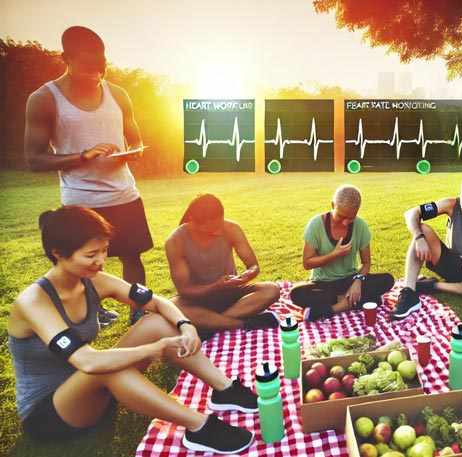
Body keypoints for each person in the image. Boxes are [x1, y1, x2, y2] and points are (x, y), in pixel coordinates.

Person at [8, 206, 257, 454]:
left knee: (157, 322)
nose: (101, 262)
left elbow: (157, 301)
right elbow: (88, 362)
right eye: (91, 254)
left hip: (95, 390)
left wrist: (185, 325)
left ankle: (224, 389)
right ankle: (199, 426)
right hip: (51, 413)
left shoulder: (94, 281)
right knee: (106, 367)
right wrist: (154, 348)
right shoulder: (34, 302)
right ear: (58, 253)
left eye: (104, 251)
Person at [24, 26, 152, 326]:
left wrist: (134, 151)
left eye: (100, 66)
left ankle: (139, 310)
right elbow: (34, 159)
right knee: (84, 263)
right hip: (81, 198)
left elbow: (135, 139)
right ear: (65, 58)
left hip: (124, 193)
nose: (96, 74)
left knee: (132, 256)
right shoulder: (44, 99)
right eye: (87, 67)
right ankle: (91, 311)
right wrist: (83, 155)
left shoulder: (118, 94)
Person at [392, 173, 462, 319]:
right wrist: (418, 237)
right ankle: (409, 292)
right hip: (449, 262)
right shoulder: (452, 204)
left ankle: (430, 286)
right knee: (422, 229)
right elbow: (411, 213)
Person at [165, 193, 281, 338]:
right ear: (193, 222)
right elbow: (185, 290)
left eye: (219, 225)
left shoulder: (231, 228)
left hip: (232, 295)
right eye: (212, 230)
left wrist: (248, 275)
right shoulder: (176, 241)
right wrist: (216, 286)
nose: (218, 232)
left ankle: (210, 324)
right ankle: (243, 324)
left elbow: (253, 266)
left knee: (272, 289)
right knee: (172, 306)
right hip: (198, 301)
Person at [290, 184, 394, 322]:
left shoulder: (360, 225)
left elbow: (366, 262)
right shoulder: (316, 224)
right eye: (341, 216)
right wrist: (334, 254)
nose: (345, 223)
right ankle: (353, 301)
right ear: (333, 205)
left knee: (387, 280)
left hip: (349, 280)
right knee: (297, 293)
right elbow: (307, 263)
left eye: (351, 218)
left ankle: (332, 309)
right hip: (323, 283)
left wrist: (358, 281)